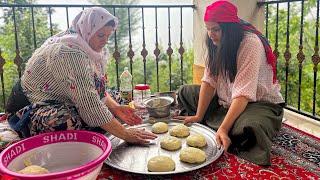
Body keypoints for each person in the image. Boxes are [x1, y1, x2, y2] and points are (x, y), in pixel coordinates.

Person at [6, 7, 156, 144]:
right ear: (88, 30)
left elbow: (98, 90)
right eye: (101, 35)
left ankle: (104, 121)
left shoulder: (86, 42)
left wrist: (116, 108)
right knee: (65, 122)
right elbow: (89, 103)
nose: (105, 41)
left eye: (108, 36)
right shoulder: (69, 52)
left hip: (65, 96)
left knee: (114, 98)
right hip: (29, 106)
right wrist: (125, 134)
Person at [176, 0, 284, 165]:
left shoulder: (250, 44)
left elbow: (243, 93)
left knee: (251, 127)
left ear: (230, 29)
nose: (211, 34)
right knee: (185, 92)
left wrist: (224, 128)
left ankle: (222, 126)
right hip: (227, 99)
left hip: (256, 103)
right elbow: (209, 80)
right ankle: (218, 122)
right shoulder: (214, 42)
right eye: (208, 29)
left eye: (216, 29)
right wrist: (198, 115)